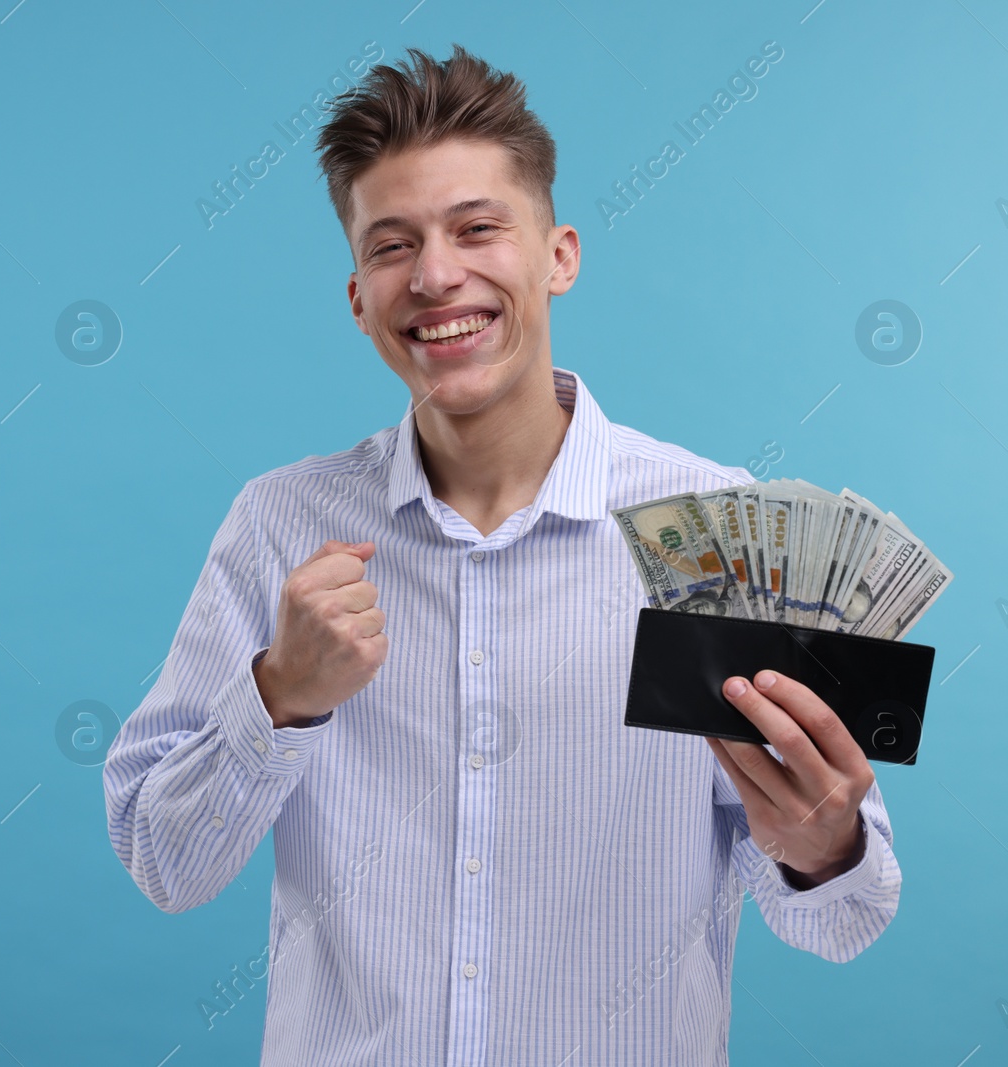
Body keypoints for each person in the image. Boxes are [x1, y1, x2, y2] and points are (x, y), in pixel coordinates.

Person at [104, 43, 897, 1065]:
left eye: (477, 228)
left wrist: (824, 847)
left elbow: (842, 920)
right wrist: (279, 695)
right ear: (358, 298)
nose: (436, 274)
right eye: (392, 246)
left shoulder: (714, 533)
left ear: (558, 254)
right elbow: (165, 861)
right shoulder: (278, 524)